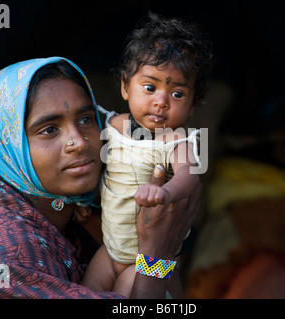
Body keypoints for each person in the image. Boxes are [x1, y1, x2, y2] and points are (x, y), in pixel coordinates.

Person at [0, 56, 201, 299]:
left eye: (85, 119)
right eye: (49, 129)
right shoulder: (1, 251)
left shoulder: (73, 215)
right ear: (11, 146)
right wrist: (156, 256)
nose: (78, 142)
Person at [81, 13, 213, 297]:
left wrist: (166, 193)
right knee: (85, 292)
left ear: (192, 106)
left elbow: (189, 176)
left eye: (177, 94)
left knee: (125, 296)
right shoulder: (114, 125)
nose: (161, 101)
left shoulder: (176, 139)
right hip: (110, 251)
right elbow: (93, 166)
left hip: (145, 259)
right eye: (150, 87)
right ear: (125, 86)